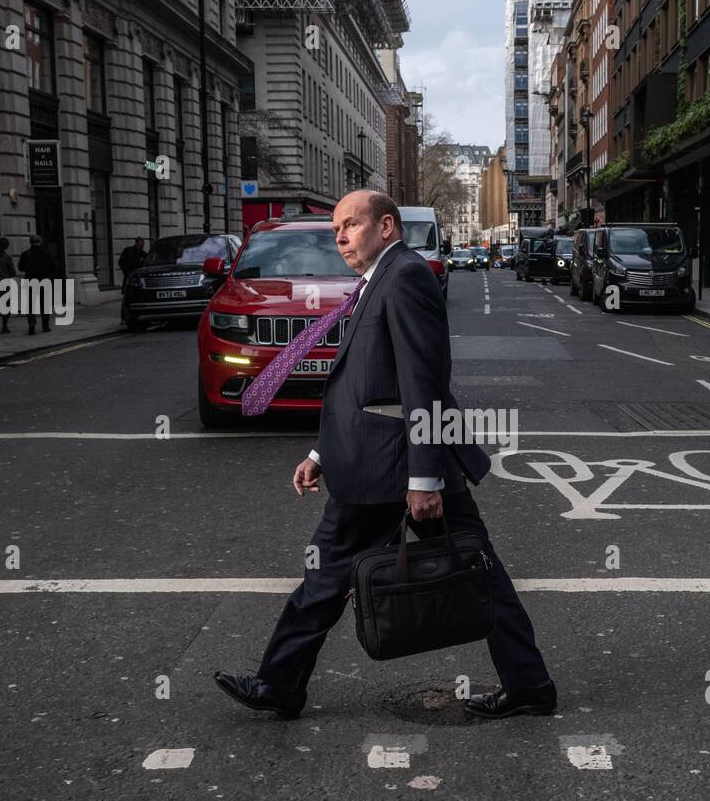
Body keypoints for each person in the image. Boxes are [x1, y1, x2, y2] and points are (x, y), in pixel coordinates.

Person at [214, 190, 557, 721]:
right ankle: (529, 683)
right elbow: (369, 386)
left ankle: (279, 682)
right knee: (468, 571)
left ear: (387, 226)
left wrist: (424, 478)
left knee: (334, 575)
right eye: (336, 230)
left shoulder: (406, 276)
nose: (341, 237)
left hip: (396, 467)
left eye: (351, 225)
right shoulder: (379, 280)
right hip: (379, 461)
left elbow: (422, 381)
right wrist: (321, 452)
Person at [18, 235, 55, 334]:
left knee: (30, 304)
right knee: (45, 304)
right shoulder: (46, 254)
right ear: (40, 242)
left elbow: (20, 268)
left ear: (30, 242)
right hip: (44, 281)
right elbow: (53, 267)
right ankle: (45, 326)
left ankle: (31, 324)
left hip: (30, 281)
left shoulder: (25, 254)